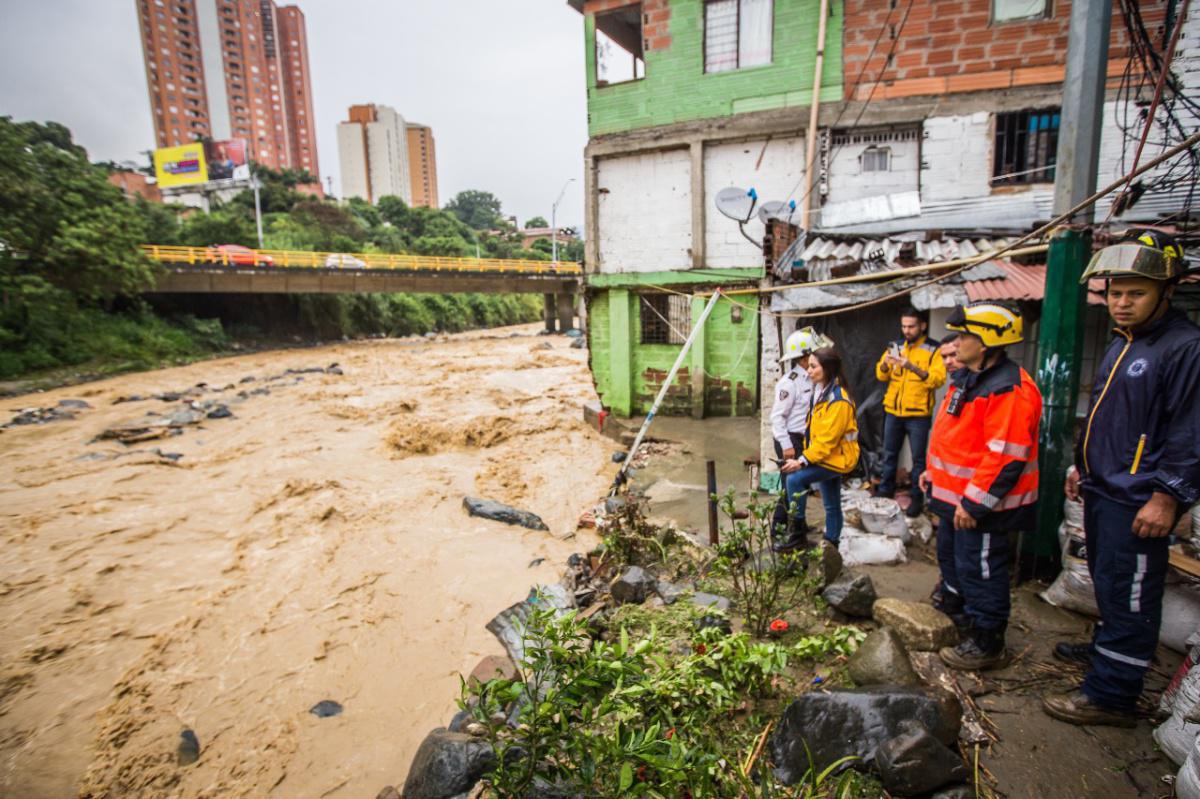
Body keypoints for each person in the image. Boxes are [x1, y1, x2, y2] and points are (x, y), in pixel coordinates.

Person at [1042, 230, 1200, 727]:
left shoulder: (1183, 348)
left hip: (1139, 498)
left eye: (1136, 293)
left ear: (1166, 292)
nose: (1122, 303)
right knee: (1109, 585)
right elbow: (1105, 418)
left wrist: (1167, 497)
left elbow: (1190, 431)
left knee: (1131, 592)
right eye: (1115, 293)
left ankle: (1112, 696)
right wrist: (1081, 469)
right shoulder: (1124, 343)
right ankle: (1107, 657)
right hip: (1104, 487)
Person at [920, 302, 1042, 671]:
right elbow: (954, 438)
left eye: (963, 336)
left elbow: (1005, 457)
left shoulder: (1008, 389)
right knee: (953, 560)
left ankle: (988, 640)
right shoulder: (970, 379)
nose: (955, 345)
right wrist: (931, 473)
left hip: (983, 508)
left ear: (985, 342)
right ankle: (960, 616)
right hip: (953, 499)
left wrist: (974, 505)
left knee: (981, 570)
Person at [780, 346, 861, 547]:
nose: (808, 371)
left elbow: (827, 440)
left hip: (837, 457)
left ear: (828, 368)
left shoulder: (838, 400)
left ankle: (797, 537)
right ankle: (832, 543)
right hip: (829, 455)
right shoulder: (821, 391)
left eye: (813, 367)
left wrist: (802, 460)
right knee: (832, 503)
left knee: (794, 480)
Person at [875, 308, 947, 517]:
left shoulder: (934, 349)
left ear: (922, 326)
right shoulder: (895, 346)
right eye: (904, 326)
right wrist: (887, 366)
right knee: (889, 454)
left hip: (918, 414)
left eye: (911, 326)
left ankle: (917, 498)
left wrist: (912, 366)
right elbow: (880, 375)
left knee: (918, 460)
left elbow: (938, 379)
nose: (906, 330)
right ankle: (885, 491)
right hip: (893, 411)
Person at [769, 327, 831, 549]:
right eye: (813, 354)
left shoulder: (814, 378)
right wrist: (786, 446)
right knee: (789, 487)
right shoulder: (790, 382)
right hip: (789, 439)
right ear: (805, 357)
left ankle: (799, 526)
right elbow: (777, 418)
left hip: (804, 438)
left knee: (799, 486)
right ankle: (778, 530)